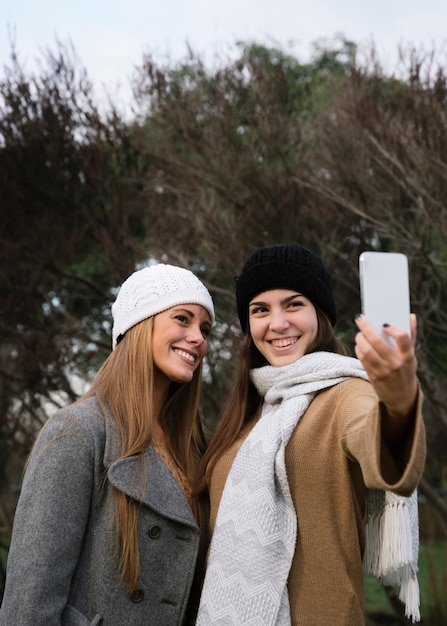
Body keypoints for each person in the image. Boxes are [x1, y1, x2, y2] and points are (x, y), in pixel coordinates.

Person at [196, 243, 426, 626]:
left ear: (319, 312)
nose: (277, 323)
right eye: (260, 310)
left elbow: (386, 457)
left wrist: (399, 403)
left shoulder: (348, 394)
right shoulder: (251, 411)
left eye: (293, 304)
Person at [0, 263, 215, 626]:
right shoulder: (78, 431)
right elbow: (29, 603)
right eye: (183, 319)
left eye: (204, 329)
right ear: (138, 323)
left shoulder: (193, 447)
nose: (198, 338)